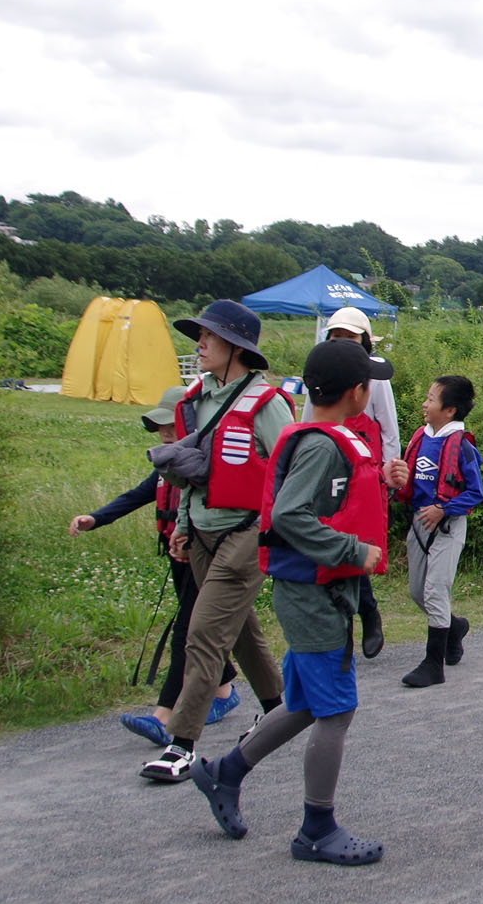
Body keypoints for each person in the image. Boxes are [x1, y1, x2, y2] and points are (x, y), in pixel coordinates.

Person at [188, 339, 399, 865]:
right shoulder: (324, 444)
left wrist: (386, 486)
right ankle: (316, 829)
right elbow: (288, 515)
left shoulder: (330, 439)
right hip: (313, 595)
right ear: (358, 393)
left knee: (305, 703)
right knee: (338, 711)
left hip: (315, 590)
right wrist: (355, 551)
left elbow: (335, 503)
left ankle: (225, 772)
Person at [140, 300, 294, 784]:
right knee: (240, 629)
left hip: (247, 531)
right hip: (203, 532)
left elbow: (289, 468)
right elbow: (193, 471)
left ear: (236, 347)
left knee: (204, 633)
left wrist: (278, 530)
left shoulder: (267, 404)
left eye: (208, 336)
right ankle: (279, 710)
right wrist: (184, 524)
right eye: (199, 335)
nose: (199, 343)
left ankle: (181, 743)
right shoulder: (195, 398)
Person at [71, 386, 240, 746]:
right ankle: (224, 691)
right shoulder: (167, 467)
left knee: (187, 631)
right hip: (178, 556)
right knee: (203, 626)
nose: (163, 433)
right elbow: (136, 496)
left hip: (204, 553)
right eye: (159, 427)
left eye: (170, 424)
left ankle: (164, 718)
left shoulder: (209, 462)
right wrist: (95, 519)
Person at [302, 306, 398, 657]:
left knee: (356, 537)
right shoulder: (321, 370)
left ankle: (366, 611)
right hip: (327, 463)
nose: (343, 342)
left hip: (365, 466)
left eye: (350, 337)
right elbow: (308, 418)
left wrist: (389, 473)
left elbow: (388, 427)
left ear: (365, 340)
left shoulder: (376, 377)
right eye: (336, 336)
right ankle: (361, 611)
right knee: (333, 536)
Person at [394, 375, 483, 688]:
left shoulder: (462, 445)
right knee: (418, 592)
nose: (425, 403)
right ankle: (455, 627)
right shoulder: (421, 437)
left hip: (447, 525)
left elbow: (476, 492)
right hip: (420, 524)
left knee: (435, 591)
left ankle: (433, 665)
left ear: (449, 410)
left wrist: (444, 508)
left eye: (431, 399)